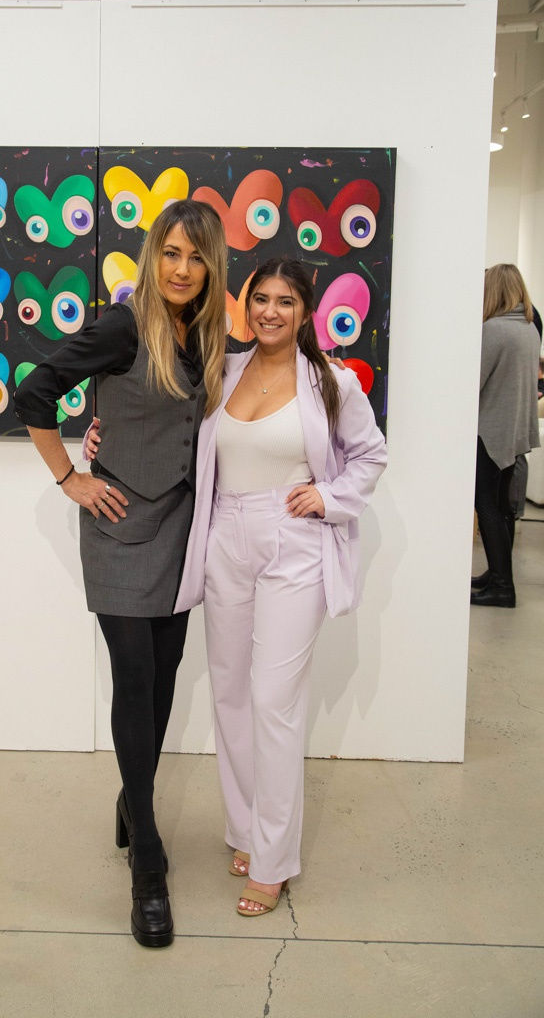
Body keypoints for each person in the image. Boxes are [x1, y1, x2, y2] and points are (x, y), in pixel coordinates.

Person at [12, 199, 228, 948]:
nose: (181, 269)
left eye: (196, 257)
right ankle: (148, 863)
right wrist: (70, 476)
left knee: (165, 675)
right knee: (134, 675)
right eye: (171, 252)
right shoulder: (122, 324)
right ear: (152, 254)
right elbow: (34, 390)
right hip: (118, 522)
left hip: (179, 527)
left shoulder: (206, 334)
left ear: (210, 265)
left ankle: (132, 802)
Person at [174, 257, 387, 916]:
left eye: (285, 302)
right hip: (225, 538)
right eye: (260, 298)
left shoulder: (332, 383)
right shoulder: (223, 371)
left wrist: (327, 495)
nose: (270, 311)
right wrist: (101, 439)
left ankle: (272, 861)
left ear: (306, 312)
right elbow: (176, 436)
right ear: (245, 305)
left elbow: (371, 455)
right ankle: (243, 829)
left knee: (274, 698)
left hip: (293, 540)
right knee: (232, 691)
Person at [471, 264, 540, 608]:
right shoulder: (528, 328)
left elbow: (473, 383)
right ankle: (499, 575)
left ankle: (501, 586)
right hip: (513, 432)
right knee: (502, 508)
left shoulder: (493, 330)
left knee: (486, 506)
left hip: (491, 431)